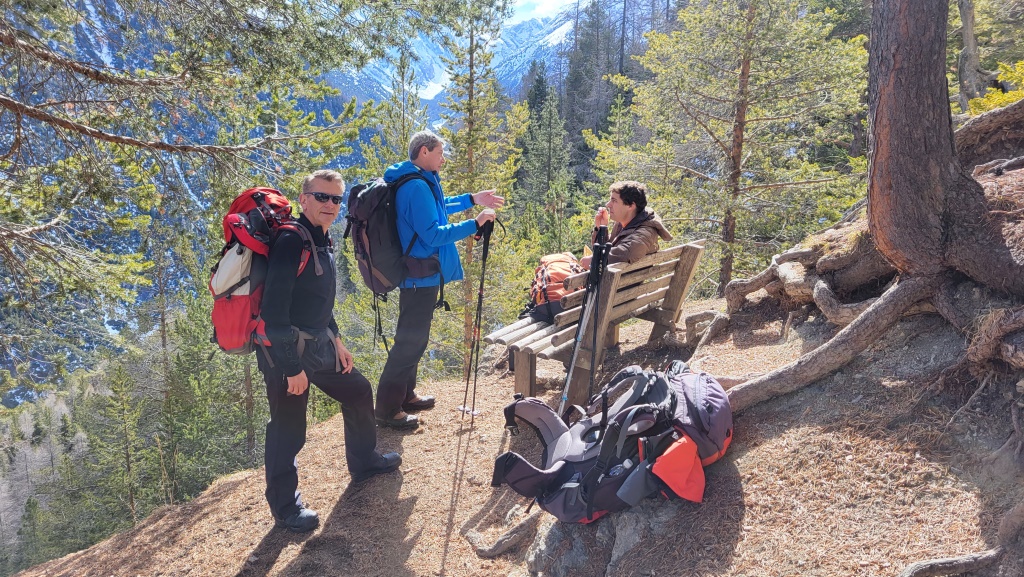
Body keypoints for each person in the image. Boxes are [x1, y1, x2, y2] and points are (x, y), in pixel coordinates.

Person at [258, 169, 401, 533]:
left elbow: (318, 299)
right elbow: (273, 313)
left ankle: (364, 461)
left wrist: (337, 339)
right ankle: (285, 509)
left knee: (358, 390)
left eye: (336, 199)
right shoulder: (291, 240)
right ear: (303, 199)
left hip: (319, 343)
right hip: (286, 351)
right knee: (288, 429)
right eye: (322, 197)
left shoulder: (320, 239)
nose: (330, 205)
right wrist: (291, 368)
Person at [374, 130, 502, 430]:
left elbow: (438, 207)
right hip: (418, 275)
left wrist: (472, 199)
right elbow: (433, 234)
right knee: (409, 342)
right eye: (440, 153)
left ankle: (405, 395)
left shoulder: (416, 180)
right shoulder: (416, 185)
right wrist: (475, 223)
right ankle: (387, 410)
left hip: (419, 273)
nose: (444, 159)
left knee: (414, 339)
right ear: (424, 151)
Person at [581, 180, 672, 270]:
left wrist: (595, 260)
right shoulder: (624, 223)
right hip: (615, 278)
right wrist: (601, 228)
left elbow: (629, 252)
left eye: (614, 201)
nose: (608, 205)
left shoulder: (645, 232)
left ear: (631, 206)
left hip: (623, 279)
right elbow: (606, 249)